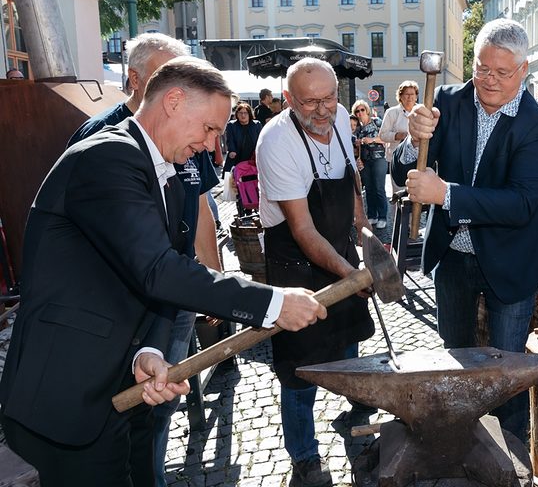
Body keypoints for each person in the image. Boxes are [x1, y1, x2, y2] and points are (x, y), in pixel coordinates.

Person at [0, 56, 325, 486]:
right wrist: (273, 301)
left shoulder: (166, 175)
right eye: (209, 128)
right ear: (173, 101)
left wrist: (147, 352)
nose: (212, 146)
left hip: (110, 392)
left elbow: (150, 280)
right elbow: (159, 270)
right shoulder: (107, 157)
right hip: (62, 397)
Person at [64, 32, 224, 487]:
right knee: (126, 405)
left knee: (160, 402)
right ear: (137, 81)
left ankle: (150, 476)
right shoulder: (103, 138)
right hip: (127, 303)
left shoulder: (191, 138)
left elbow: (200, 210)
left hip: (176, 298)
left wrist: (212, 280)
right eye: (169, 76)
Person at [392, 18, 538, 440]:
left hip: (510, 259)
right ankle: (461, 444)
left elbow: (522, 204)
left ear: (524, 70)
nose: (488, 80)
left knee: (506, 372)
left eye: (502, 73)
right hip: (453, 257)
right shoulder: (446, 101)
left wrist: (445, 193)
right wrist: (413, 140)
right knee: (456, 360)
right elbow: (401, 170)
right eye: (482, 68)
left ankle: (513, 454)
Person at [256, 58, 375, 487]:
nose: (323, 112)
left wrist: (366, 239)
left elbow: (351, 183)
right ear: (288, 100)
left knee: (351, 348)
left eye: (329, 99)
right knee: (299, 369)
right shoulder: (276, 142)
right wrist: (350, 275)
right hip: (296, 265)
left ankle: (358, 417)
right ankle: (304, 457)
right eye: (311, 103)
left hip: (340, 249)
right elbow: (304, 231)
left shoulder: (340, 116)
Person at [352, 99, 388, 229]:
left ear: (366, 110)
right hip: (365, 160)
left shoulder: (377, 121)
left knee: (379, 188)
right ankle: (372, 215)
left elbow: (385, 137)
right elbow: (355, 145)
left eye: (362, 109)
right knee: (369, 189)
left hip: (379, 158)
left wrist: (371, 139)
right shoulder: (358, 128)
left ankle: (383, 216)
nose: (360, 112)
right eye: (357, 111)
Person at [379, 80, 419, 194]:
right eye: (407, 94)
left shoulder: (420, 111)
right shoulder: (392, 112)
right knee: (399, 192)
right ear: (400, 96)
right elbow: (382, 135)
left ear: (416, 96)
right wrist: (397, 135)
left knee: (416, 192)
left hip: (418, 158)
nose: (410, 97)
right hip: (397, 159)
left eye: (413, 94)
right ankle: (399, 212)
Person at [223, 101, 262, 174]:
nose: (243, 115)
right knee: (232, 179)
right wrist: (232, 150)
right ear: (237, 114)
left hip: (252, 157)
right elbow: (230, 140)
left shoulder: (256, 124)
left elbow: (260, 141)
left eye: (245, 113)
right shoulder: (232, 125)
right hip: (237, 156)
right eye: (240, 113)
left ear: (249, 114)